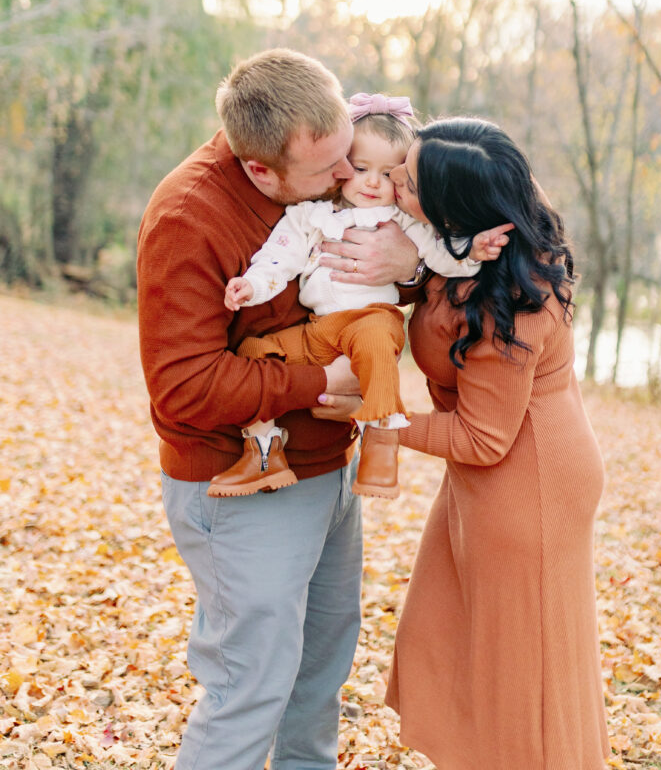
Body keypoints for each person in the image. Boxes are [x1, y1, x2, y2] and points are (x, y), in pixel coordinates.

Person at [136, 49, 424, 770]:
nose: (347, 179)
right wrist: (323, 380)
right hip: (241, 489)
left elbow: (372, 288)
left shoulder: (324, 183)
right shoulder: (189, 218)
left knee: (314, 687)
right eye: (329, 169)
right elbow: (184, 387)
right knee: (248, 695)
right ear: (260, 169)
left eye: (347, 158)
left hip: (329, 473)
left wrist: (404, 267)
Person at [385, 118, 611, 770]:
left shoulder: (509, 295)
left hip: (525, 485)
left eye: (406, 178)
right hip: (494, 471)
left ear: (451, 205)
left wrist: (381, 424)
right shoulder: (462, 246)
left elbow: (482, 438)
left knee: (521, 678)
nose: (392, 182)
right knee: (446, 630)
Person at [209, 93, 493, 501]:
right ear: (342, 164)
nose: (373, 182)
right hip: (319, 331)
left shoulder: (402, 221)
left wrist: (471, 253)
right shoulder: (312, 214)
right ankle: (264, 450)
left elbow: (440, 254)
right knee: (255, 350)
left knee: (377, 341)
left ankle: (381, 439)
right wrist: (252, 284)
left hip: (370, 319)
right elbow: (280, 256)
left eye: (388, 173)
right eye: (361, 169)